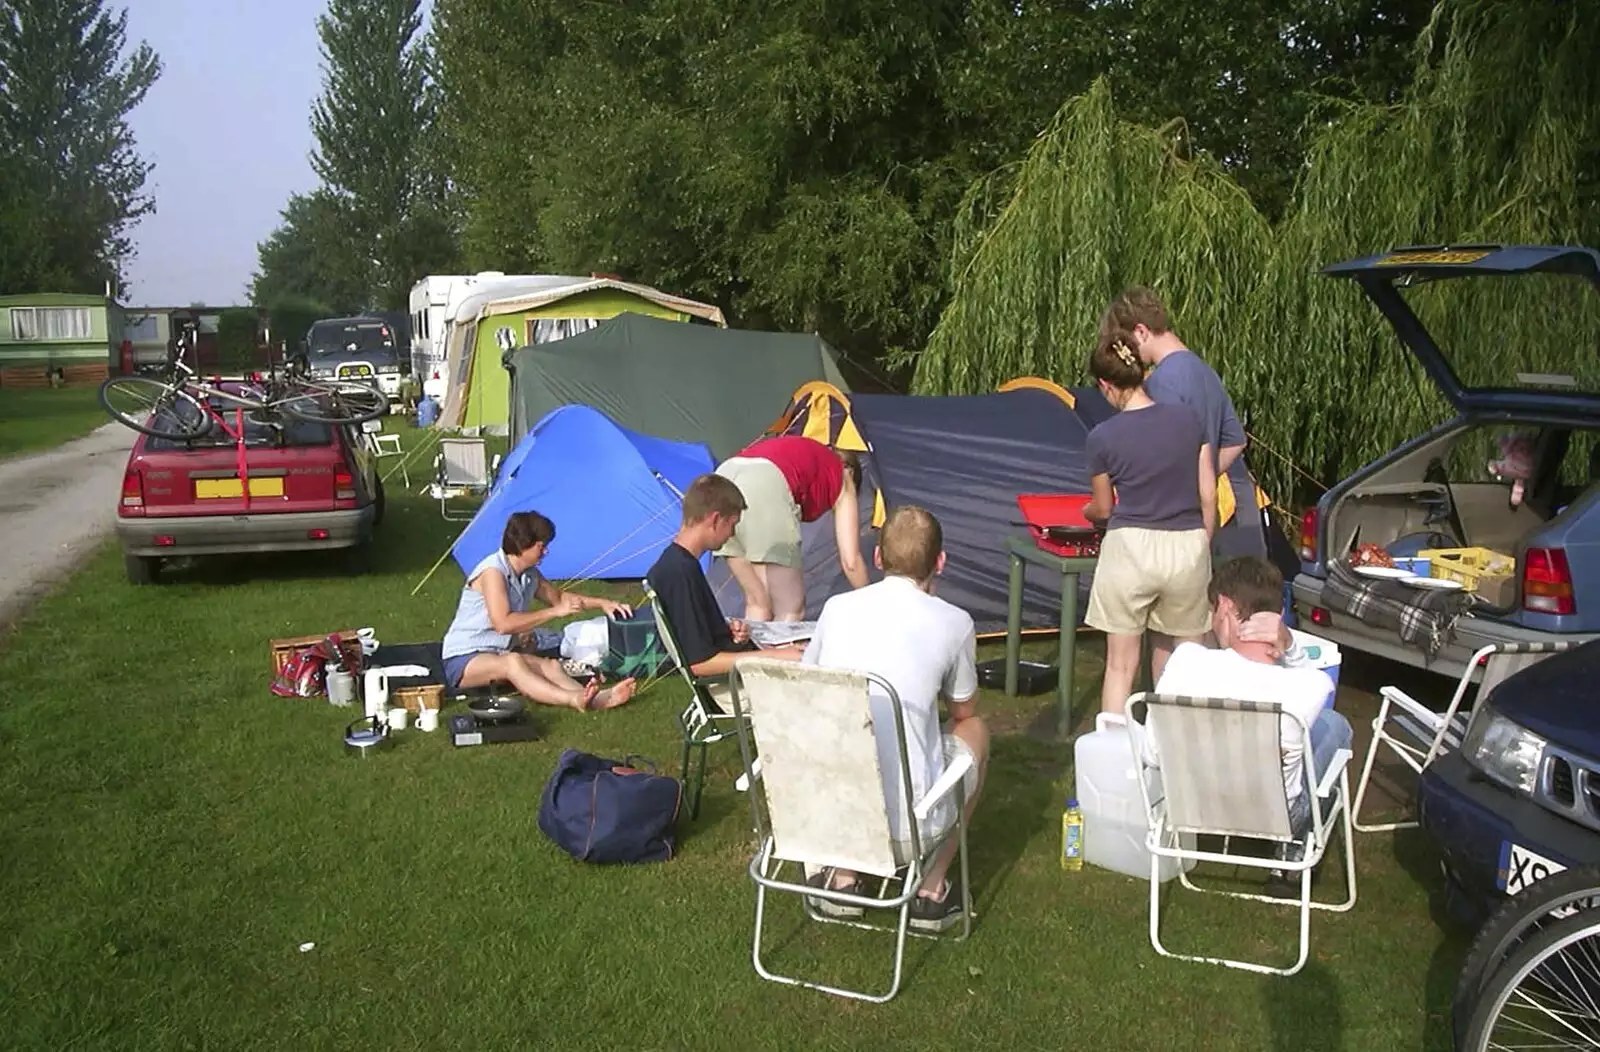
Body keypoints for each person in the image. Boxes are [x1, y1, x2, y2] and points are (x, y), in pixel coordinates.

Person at [799, 505, 989, 933]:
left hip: (826, 816)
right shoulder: (954, 622)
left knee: (840, 716)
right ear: (940, 562)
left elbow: (809, 689)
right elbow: (963, 710)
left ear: (879, 558)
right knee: (974, 731)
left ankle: (844, 879)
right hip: (909, 831)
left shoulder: (836, 609)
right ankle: (931, 889)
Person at [1150, 556, 1352, 891]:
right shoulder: (1304, 687)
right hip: (1276, 816)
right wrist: (1288, 647)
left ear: (1226, 606)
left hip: (1190, 801)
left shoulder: (1185, 662)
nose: (1213, 621)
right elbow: (1319, 689)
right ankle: (1291, 856)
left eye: (1215, 610)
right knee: (1335, 726)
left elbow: (1153, 754)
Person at [1082, 331, 1217, 716]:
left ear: (1106, 385)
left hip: (1130, 550)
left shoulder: (1101, 437)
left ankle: (1112, 762)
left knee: (1121, 666)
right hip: (1186, 545)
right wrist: (1200, 544)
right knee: (1185, 664)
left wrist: (1086, 513)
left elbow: (1104, 509)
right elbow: (1208, 496)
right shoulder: (1189, 419)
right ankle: (1177, 753)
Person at [1101, 286, 1253, 548]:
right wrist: (1203, 477)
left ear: (1141, 331)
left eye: (1129, 345)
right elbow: (1236, 441)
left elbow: (1160, 456)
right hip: (1204, 519)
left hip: (1171, 525)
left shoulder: (1161, 383)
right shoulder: (1206, 372)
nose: (1131, 356)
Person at [441, 511, 638, 711]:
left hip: (496, 653)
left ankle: (594, 700)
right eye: (541, 546)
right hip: (464, 659)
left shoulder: (529, 574)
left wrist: (603, 603)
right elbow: (502, 624)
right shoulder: (493, 572)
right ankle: (573, 699)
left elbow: (559, 599)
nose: (545, 552)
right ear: (523, 544)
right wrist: (553, 613)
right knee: (513, 662)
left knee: (551, 666)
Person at [647, 474, 803, 698]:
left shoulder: (678, 562)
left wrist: (723, 632)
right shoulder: (679, 573)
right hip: (726, 686)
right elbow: (699, 664)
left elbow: (695, 634)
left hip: (732, 668)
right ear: (715, 519)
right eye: (732, 525)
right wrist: (775, 657)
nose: (732, 534)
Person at [714, 434, 869, 622]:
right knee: (790, 607)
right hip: (763, 483)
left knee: (758, 603)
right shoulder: (843, 475)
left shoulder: (809, 455)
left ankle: (754, 651)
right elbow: (851, 561)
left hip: (724, 478)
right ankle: (781, 650)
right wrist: (872, 603)